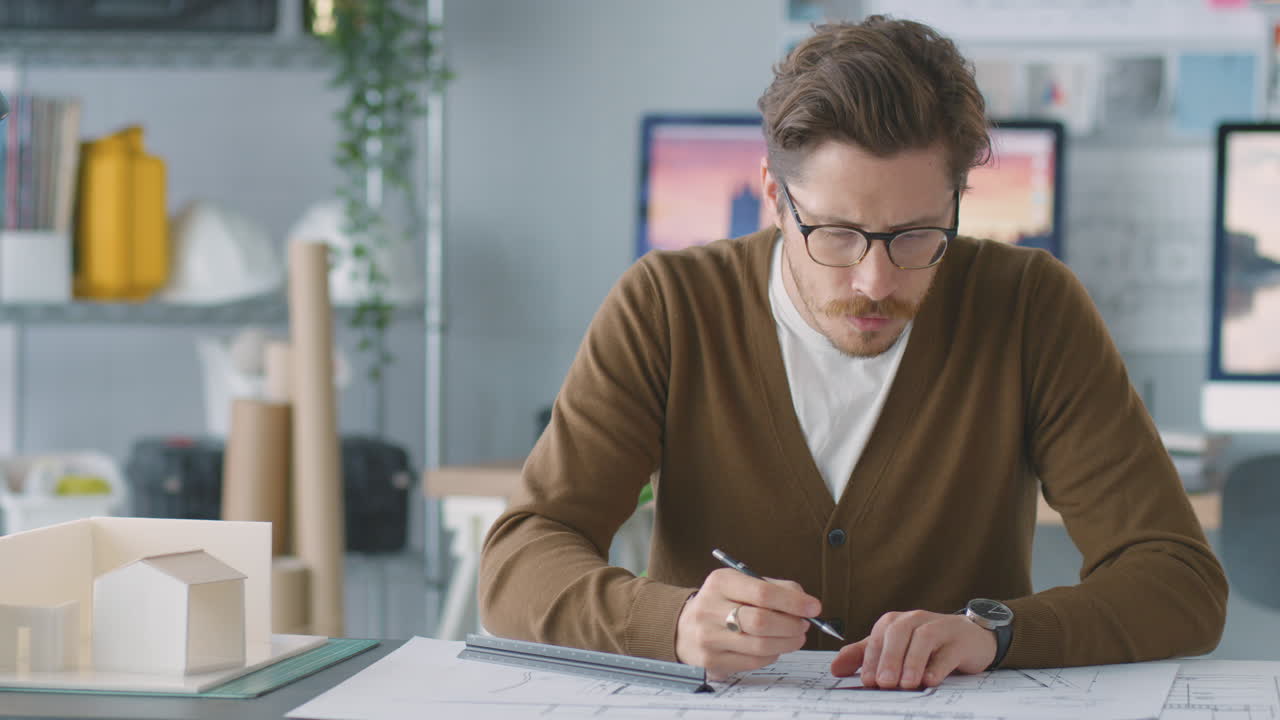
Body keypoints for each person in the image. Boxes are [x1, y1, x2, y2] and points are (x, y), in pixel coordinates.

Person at [479, 15, 1227, 689]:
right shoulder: (670, 305)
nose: (877, 281)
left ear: (959, 202)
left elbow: (1178, 580)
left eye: (916, 235)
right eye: (835, 234)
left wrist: (994, 633)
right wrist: (672, 623)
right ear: (775, 193)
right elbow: (519, 562)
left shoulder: (1030, 306)